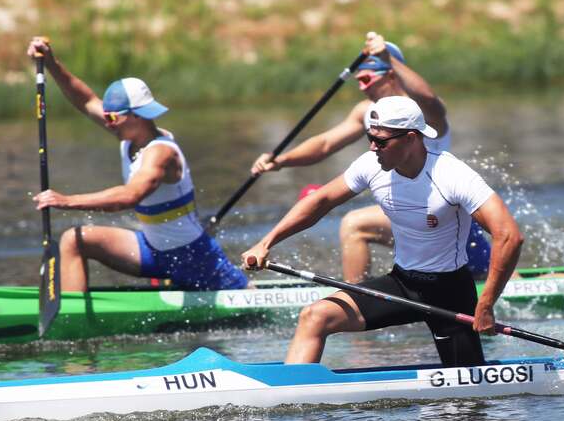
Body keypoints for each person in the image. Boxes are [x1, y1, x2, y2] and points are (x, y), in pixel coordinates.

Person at [241, 95, 522, 366]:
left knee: (468, 401)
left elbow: (509, 235)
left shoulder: (452, 175)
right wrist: (265, 243)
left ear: (411, 138)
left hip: (450, 293)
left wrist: (485, 305)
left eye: (380, 140)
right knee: (315, 316)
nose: (373, 147)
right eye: (370, 138)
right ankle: (294, 396)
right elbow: (320, 201)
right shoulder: (371, 166)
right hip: (401, 284)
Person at [250, 31, 490, 282]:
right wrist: (281, 161)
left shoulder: (420, 112)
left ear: (391, 74)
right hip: (406, 218)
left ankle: (355, 300)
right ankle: (358, 303)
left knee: (354, 224)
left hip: (442, 218)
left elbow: (431, 100)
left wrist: (389, 57)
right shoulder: (368, 112)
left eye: (366, 78)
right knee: (356, 224)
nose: (361, 86)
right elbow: (325, 144)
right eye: (358, 80)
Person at [26, 36, 248, 293]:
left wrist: (66, 201)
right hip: (151, 250)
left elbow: (130, 196)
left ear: (136, 116)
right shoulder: (128, 134)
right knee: (73, 240)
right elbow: (86, 100)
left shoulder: (161, 154)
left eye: (112, 116)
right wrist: (51, 62)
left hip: (191, 256)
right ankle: (71, 315)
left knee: (244, 295)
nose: (107, 121)